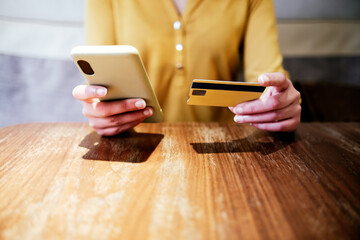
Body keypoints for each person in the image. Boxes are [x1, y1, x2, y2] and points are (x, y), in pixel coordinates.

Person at [72, 0, 301, 136]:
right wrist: (98, 106)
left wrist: (280, 105)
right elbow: (100, 82)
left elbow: (266, 81)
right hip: (133, 146)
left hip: (221, 146)